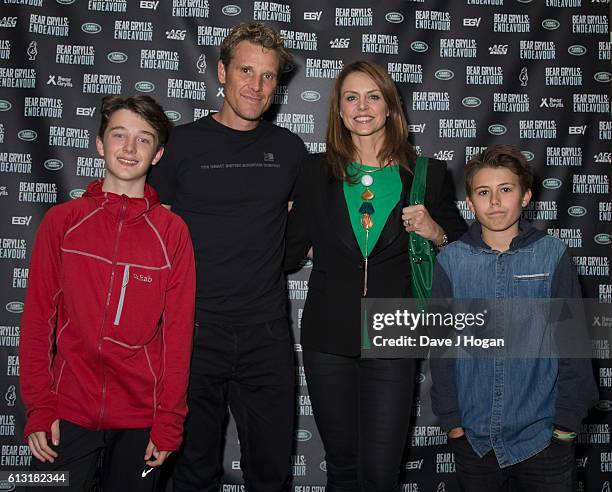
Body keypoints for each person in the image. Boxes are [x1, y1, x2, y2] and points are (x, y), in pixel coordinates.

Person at [284, 60, 467, 492]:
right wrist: (285, 220)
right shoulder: (314, 172)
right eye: (351, 97)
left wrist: (435, 231)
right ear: (339, 110)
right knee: (343, 470)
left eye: (373, 97)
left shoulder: (426, 174)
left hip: (395, 329)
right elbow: (288, 253)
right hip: (328, 335)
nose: (362, 107)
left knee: (382, 474)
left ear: (390, 107)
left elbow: (463, 257)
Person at [148, 22, 307, 492]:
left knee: (271, 472)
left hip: (266, 333)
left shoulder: (289, 150)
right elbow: (153, 238)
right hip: (193, 334)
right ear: (222, 71)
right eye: (246, 71)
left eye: (268, 76)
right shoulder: (179, 146)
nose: (256, 86)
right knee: (193, 471)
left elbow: (305, 234)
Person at [20, 95, 196, 492]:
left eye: (144, 139)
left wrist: (169, 420)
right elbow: (36, 322)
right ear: (100, 144)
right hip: (67, 415)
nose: (130, 149)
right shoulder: (62, 222)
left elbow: (178, 335)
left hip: (141, 420)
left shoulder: (172, 233)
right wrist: (39, 407)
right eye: (119, 135)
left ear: (158, 154)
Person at [429, 144, 598, 491]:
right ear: (470, 202)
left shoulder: (552, 254)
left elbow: (573, 343)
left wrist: (565, 426)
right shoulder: (452, 261)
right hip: (474, 439)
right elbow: (443, 347)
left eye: (505, 190)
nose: (494, 201)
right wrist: (453, 423)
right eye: (483, 192)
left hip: (543, 437)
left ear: (525, 197)